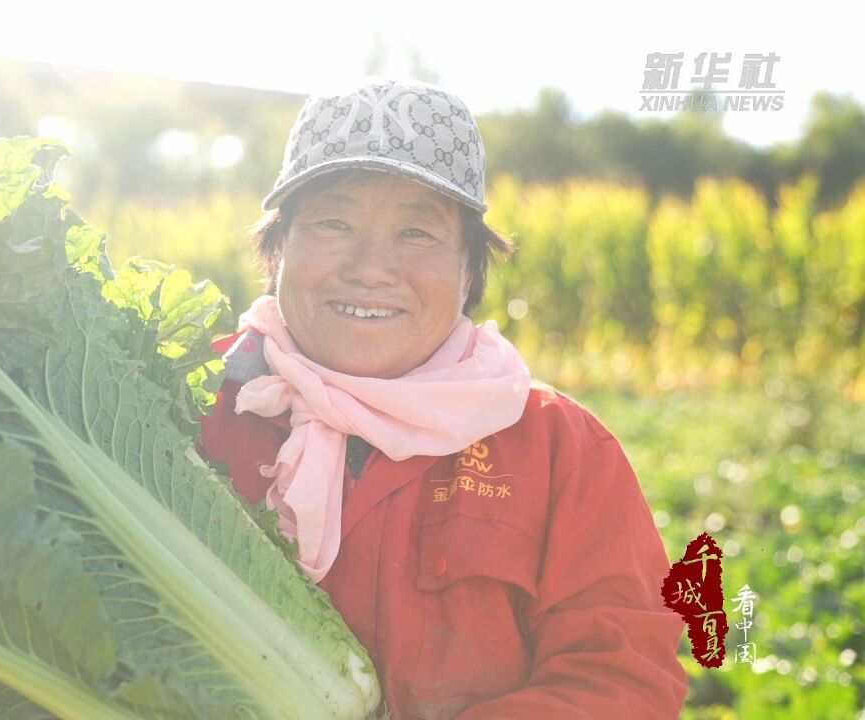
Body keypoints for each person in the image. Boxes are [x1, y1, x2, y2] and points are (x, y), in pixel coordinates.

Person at [195, 77, 689, 719]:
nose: (371, 268)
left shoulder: (560, 447)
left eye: (416, 234)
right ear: (279, 247)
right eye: (333, 222)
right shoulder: (181, 403)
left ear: (469, 268)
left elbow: (623, 683)